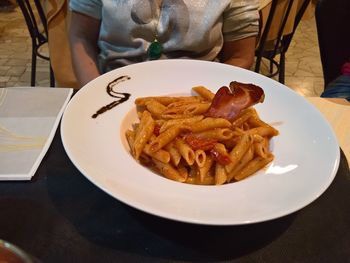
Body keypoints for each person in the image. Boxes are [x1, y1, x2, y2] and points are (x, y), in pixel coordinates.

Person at [68, 0, 260, 87]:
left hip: (197, 97)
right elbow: (81, 37)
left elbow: (240, 56)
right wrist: (94, 96)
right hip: (112, 88)